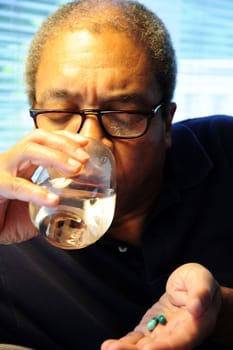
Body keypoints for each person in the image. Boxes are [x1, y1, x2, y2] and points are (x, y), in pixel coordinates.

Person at [0, 0, 233, 349]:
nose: (89, 140)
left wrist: (222, 311)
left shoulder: (225, 151)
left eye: (123, 114)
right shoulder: (11, 234)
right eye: (61, 113)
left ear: (166, 124)